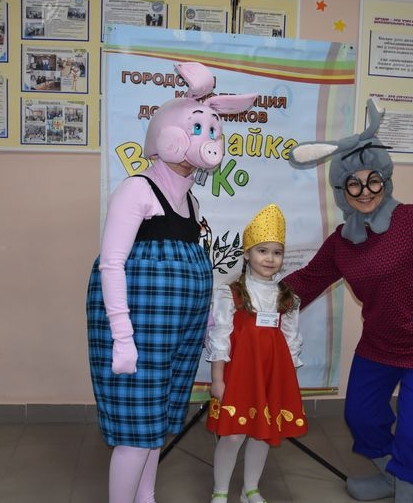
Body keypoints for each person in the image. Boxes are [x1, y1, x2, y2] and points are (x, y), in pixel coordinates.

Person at [282, 99, 413, 503]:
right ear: (342, 191)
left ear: (385, 180)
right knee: (360, 416)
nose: (365, 192)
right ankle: (394, 475)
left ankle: (409, 487)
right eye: (354, 184)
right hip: (378, 344)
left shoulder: (412, 221)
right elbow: (310, 278)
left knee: (412, 429)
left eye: (372, 181)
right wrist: (259, 298)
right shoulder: (343, 241)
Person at [86, 62, 256, 503]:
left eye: (213, 130)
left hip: (175, 334)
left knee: (156, 423)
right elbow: (111, 264)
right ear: (169, 136)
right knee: (135, 431)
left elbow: (192, 266)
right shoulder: (137, 190)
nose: (209, 139)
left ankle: (147, 497)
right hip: (138, 332)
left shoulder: (191, 203)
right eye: (199, 128)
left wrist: (204, 322)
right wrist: (123, 337)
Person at [205, 204, 307, 503]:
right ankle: (220, 490)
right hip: (239, 376)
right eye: (262, 251)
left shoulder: (287, 297)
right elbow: (220, 337)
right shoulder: (230, 293)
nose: (270, 259)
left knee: (263, 433)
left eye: (277, 253)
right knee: (233, 434)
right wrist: (218, 379)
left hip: (271, 377)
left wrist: (286, 383)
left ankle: (250, 488)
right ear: (247, 253)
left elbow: (291, 341)